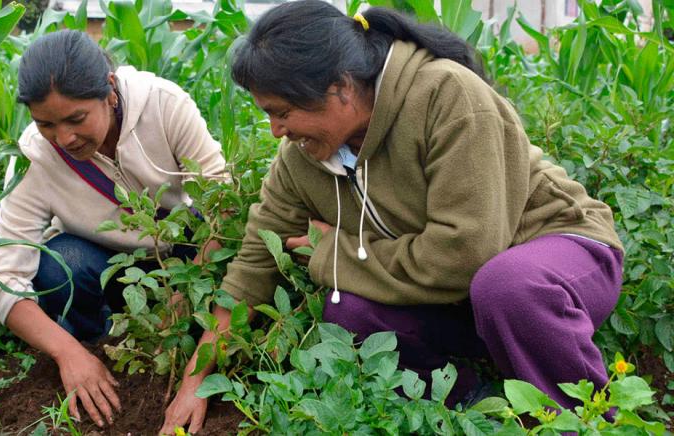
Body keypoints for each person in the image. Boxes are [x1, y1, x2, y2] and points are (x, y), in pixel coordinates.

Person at [161, 0, 624, 433]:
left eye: (282, 112)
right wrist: (194, 380)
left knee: (506, 285)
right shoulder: (300, 157)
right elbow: (256, 260)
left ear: (340, 87)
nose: (276, 130)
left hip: (558, 258)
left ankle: (583, 418)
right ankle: (473, 406)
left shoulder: (446, 95)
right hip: (464, 296)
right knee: (349, 312)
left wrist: (336, 256)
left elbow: (466, 253)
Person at [0, 30, 227, 428]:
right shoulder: (35, 157)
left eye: (76, 119)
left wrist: (187, 287)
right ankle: (101, 346)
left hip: (183, 258)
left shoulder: (163, 105)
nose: (64, 138)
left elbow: (224, 206)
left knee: (220, 249)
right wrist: (68, 353)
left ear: (109, 92)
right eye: (46, 124)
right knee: (61, 266)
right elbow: (1, 285)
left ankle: (183, 336)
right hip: (108, 268)